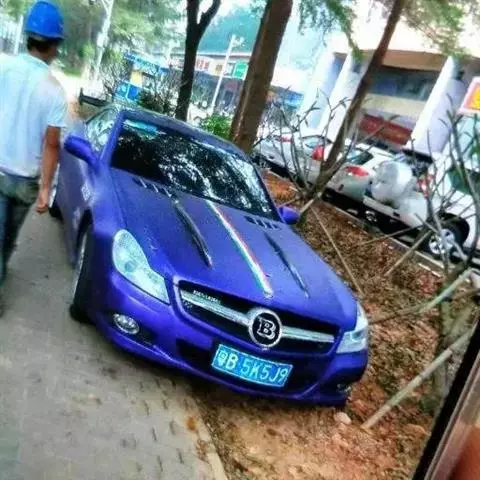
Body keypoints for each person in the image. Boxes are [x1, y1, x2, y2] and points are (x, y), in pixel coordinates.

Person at [0, 1, 67, 316]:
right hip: (25, 181)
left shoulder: (4, 68)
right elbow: (52, 145)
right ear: (54, 45)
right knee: (7, 237)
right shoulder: (55, 90)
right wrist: (45, 190)